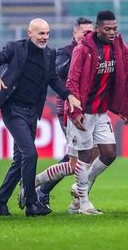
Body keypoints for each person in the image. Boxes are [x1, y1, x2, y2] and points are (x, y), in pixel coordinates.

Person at [66, 10, 128, 215]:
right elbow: (71, 81)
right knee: (84, 157)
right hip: (83, 111)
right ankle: (82, 204)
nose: (112, 32)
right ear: (97, 28)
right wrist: (74, 111)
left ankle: (79, 188)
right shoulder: (82, 49)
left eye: (114, 28)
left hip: (100, 111)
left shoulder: (118, 45)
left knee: (109, 154)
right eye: (107, 29)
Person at [0, 18, 82, 217]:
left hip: (32, 111)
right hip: (13, 109)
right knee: (30, 154)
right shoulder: (15, 47)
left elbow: (54, 80)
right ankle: (31, 203)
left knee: (20, 158)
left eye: (47, 33)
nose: (44, 37)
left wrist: (69, 95)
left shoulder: (50, 53)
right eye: (40, 33)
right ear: (29, 33)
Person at [31, 17, 95, 211]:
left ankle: (70, 196)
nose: (87, 36)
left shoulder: (95, 52)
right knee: (77, 158)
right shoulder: (64, 52)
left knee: (89, 156)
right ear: (74, 34)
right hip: (69, 111)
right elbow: (58, 71)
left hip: (90, 111)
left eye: (90, 33)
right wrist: (80, 55)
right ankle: (41, 189)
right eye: (84, 32)